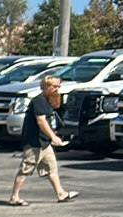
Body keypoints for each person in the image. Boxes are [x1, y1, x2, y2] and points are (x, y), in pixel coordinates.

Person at [9, 75, 79, 206]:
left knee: (51, 167)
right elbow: (41, 121)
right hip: (34, 142)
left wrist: (53, 132)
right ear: (46, 86)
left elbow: (47, 121)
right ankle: (14, 197)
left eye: (58, 86)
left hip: (44, 143)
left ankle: (61, 194)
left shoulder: (48, 101)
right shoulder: (39, 101)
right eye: (54, 87)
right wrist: (53, 137)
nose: (56, 89)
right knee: (26, 169)